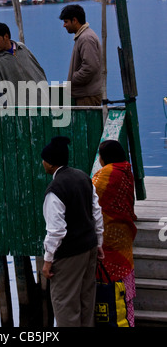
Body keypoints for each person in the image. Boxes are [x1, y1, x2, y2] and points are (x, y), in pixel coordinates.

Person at [41, 136, 104, 327]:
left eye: (43, 159)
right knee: (86, 299)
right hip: (90, 247)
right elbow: (97, 212)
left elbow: (56, 231)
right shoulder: (83, 177)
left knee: (65, 303)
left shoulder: (55, 189)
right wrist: (99, 242)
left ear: (50, 164)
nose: (42, 163)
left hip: (70, 253)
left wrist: (48, 260)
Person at [92, 139, 137, 327]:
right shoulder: (126, 171)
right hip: (124, 234)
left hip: (109, 240)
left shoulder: (105, 175)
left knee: (112, 291)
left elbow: (88, 196)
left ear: (104, 158)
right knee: (123, 292)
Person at [0, 22, 47, 105]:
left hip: (40, 100)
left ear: (6, 37)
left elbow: (38, 69)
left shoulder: (22, 48)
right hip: (18, 108)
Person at [59, 4, 102, 106]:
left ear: (75, 20)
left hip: (87, 96)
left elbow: (90, 67)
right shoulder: (84, 36)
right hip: (86, 94)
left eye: (66, 22)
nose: (64, 25)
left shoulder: (86, 38)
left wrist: (74, 79)